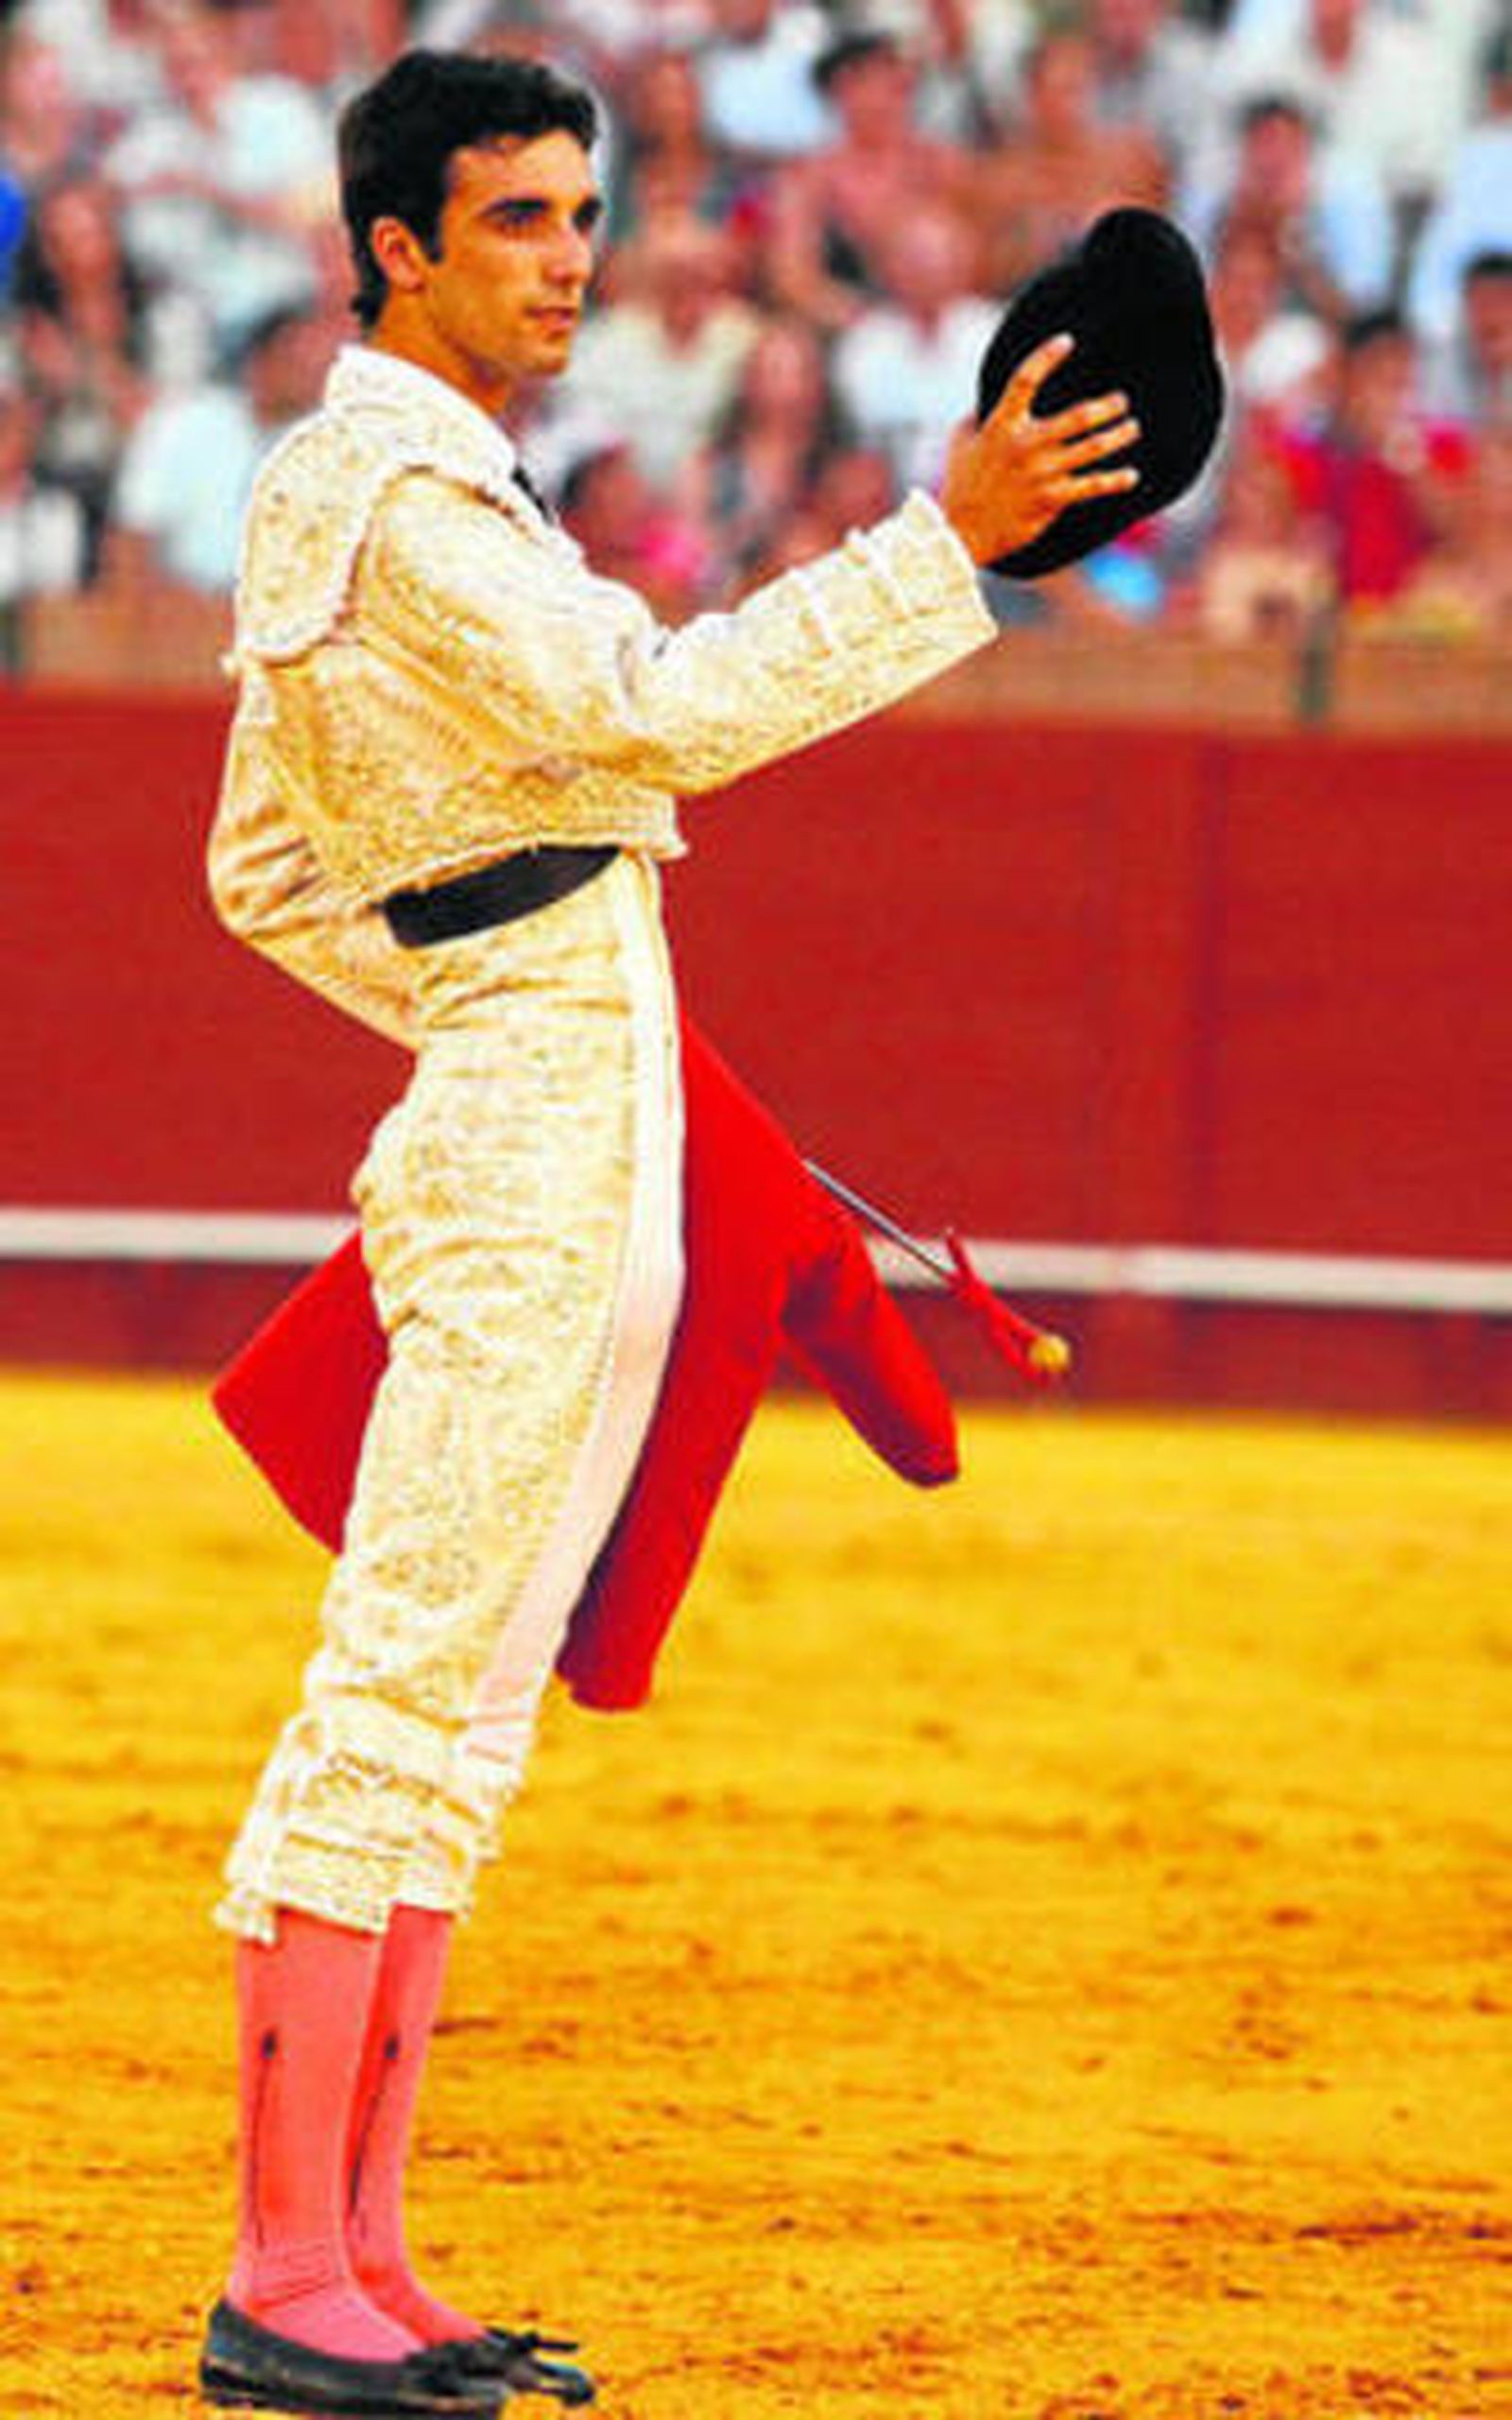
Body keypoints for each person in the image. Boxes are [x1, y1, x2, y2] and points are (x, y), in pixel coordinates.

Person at [198, 44, 1139, 2420]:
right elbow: (644, 708)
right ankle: (277, 2264)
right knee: (399, 1687)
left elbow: (262, 867)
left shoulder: (435, 493)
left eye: (580, 212)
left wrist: (495, 978)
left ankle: (363, 2253)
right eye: (517, 218)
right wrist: (947, 548)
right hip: (532, 1129)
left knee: (465, 1713)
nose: (571, 255)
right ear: (395, 243)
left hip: (574, 1102)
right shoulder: (382, 500)